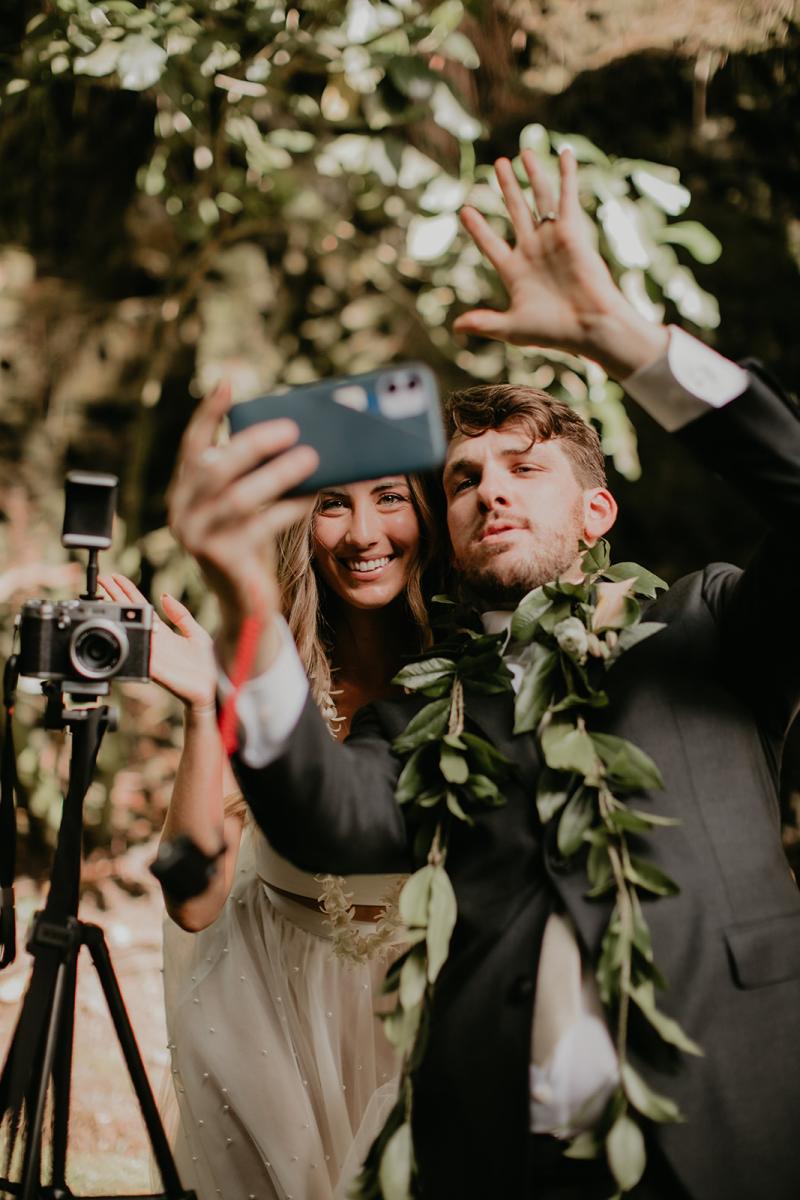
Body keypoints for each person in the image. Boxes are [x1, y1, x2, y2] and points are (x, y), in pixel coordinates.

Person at [167, 146, 800, 1200]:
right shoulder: (428, 704)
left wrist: (626, 342)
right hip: (491, 1146)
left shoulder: (712, 625)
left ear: (596, 512)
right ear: (448, 533)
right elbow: (323, 817)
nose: (488, 492)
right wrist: (243, 604)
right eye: (461, 480)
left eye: (523, 469)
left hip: (732, 1116)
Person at [100, 470, 437, 1200]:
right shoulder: (259, 666)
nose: (363, 533)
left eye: (390, 498)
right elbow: (194, 903)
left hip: (424, 1000)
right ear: (301, 528)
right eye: (331, 506)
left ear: (427, 514)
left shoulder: (475, 661)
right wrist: (203, 705)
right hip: (276, 1003)